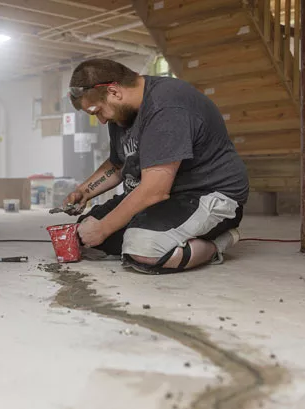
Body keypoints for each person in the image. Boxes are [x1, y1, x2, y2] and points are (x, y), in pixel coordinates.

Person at [63, 59, 249, 274]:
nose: (102, 120)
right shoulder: (121, 114)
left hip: (207, 193)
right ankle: (158, 236)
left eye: (97, 111)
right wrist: (84, 191)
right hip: (164, 195)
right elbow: (119, 163)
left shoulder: (167, 105)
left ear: (114, 92)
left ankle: (218, 242)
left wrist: (104, 229)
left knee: (143, 250)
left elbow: (154, 191)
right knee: (83, 233)